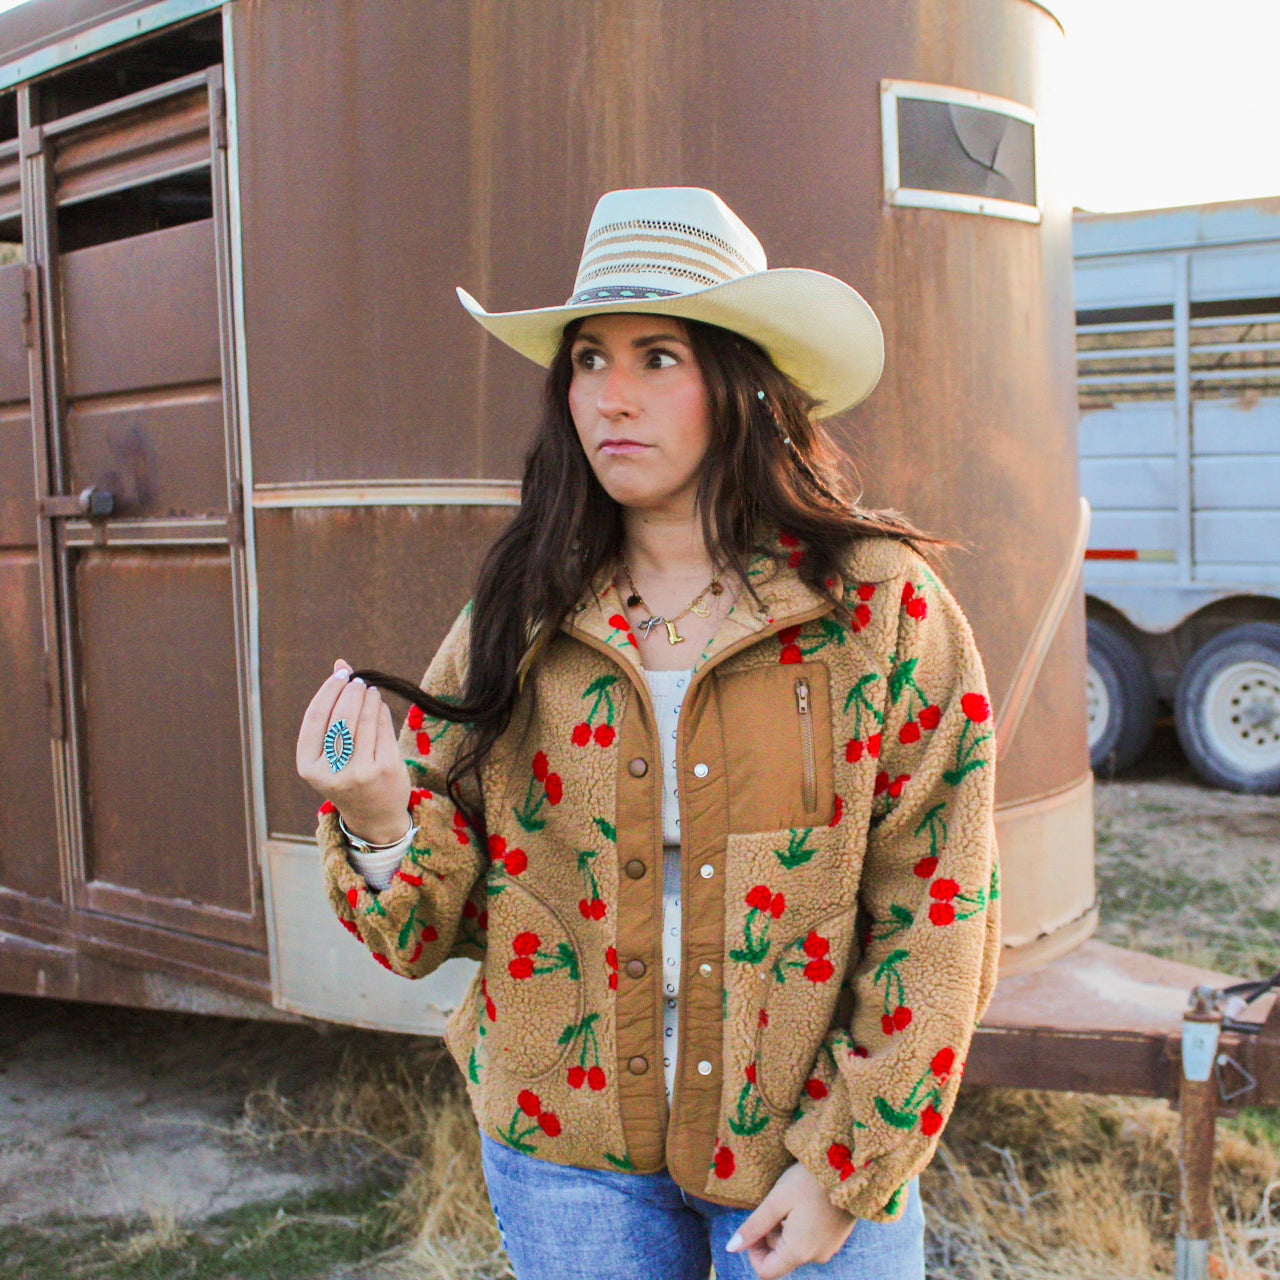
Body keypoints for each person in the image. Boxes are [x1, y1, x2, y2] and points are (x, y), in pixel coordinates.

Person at [296, 186, 1000, 1280]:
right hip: (564, 1158)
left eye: (657, 356)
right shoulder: (521, 610)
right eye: (587, 360)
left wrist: (844, 1164)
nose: (610, 396)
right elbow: (423, 932)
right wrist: (380, 812)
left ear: (741, 379)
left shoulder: (877, 609)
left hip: (802, 1153)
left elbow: (939, 906)